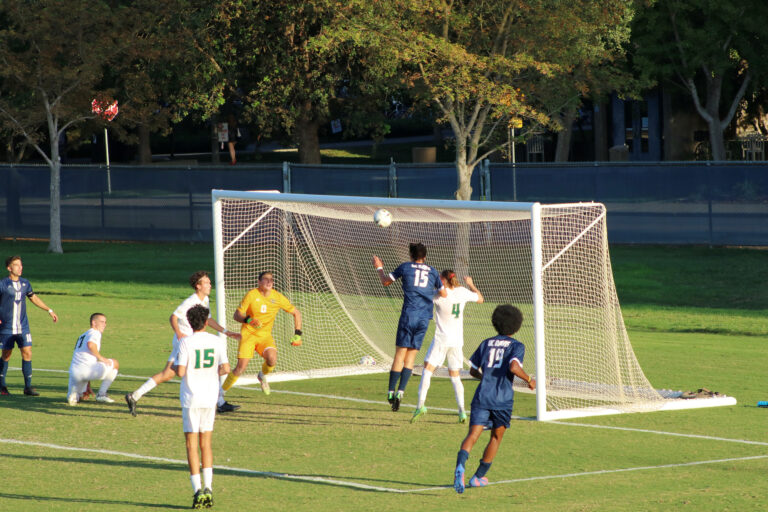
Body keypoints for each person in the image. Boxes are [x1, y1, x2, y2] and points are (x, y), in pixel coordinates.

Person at [125, 271, 240, 416]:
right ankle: (220, 403)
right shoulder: (191, 301)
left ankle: (134, 396)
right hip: (186, 343)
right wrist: (179, 333)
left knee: (167, 374)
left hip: (190, 342)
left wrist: (226, 332)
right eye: (206, 282)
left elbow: (208, 319)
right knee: (210, 367)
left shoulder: (205, 300)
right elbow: (173, 317)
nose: (210, 285)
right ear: (198, 286)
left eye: (210, 282)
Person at [453, 304, 535, 493]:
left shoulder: (486, 343)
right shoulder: (516, 346)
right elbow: (514, 367)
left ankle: (460, 465)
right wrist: (529, 379)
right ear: (516, 325)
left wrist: (486, 378)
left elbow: (473, 370)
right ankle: (478, 477)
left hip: (482, 395)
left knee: (473, 434)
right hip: (502, 399)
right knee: (496, 437)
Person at [373, 243, 446, 412]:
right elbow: (443, 293)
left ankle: (391, 392)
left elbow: (385, 282)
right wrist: (427, 293)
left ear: (411, 255)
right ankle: (400, 392)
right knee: (411, 358)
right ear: (425, 257)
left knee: (400, 354)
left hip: (408, 315)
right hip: (424, 318)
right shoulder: (433, 271)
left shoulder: (405, 267)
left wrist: (379, 267)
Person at [173, 304, 230, 509]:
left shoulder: (185, 342)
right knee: (206, 443)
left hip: (191, 398)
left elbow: (181, 372)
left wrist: (175, 366)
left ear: (190, 323)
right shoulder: (216, 341)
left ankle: (197, 490)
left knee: (191, 444)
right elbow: (225, 368)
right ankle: (209, 488)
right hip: (210, 397)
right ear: (206, 322)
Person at [411, 271, 483, 423]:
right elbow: (480, 299)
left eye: (440, 279)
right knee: (455, 376)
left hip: (441, 340)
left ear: (443, 280)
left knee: (427, 370)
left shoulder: (438, 295)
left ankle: (420, 406)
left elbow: (421, 299)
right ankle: (462, 411)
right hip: (457, 341)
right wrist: (471, 284)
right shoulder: (462, 291)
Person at [221, 271, 302, 396]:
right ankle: (220, 394)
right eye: (265, 279)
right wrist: (249, 320)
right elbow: (236, 315)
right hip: (248, 335)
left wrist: (298, 334)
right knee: (240, 368)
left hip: (265, 336)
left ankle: (262, 375)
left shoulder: (277, 297)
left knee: (272, 359)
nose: (269, 281)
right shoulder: (252, 295)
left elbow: (296, 313)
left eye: (271, 279)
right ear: (259, 282)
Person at [0, 255, 58, 396]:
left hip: (23, 327)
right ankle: (2, 386)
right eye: (16, 265)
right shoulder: (2, 284)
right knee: (6, 354)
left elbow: (34, 298)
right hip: (6, 327)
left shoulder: (25, 283)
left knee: (27, 352)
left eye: (21, 265)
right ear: (9, 268)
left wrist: (49, 310)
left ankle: (28, 387)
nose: (20, 267)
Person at [67, 313, 119, 405]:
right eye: (102, 322)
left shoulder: (83, 335)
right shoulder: (95, 332)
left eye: (105, 322)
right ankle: (101, 394)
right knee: (115, 363)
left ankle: (75, 395)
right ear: (94, 323)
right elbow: (91, 345)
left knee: (80, 397)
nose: (104, 325)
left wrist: (88, 384)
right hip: (86, 370)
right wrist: (101, 358)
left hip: (74, 371)